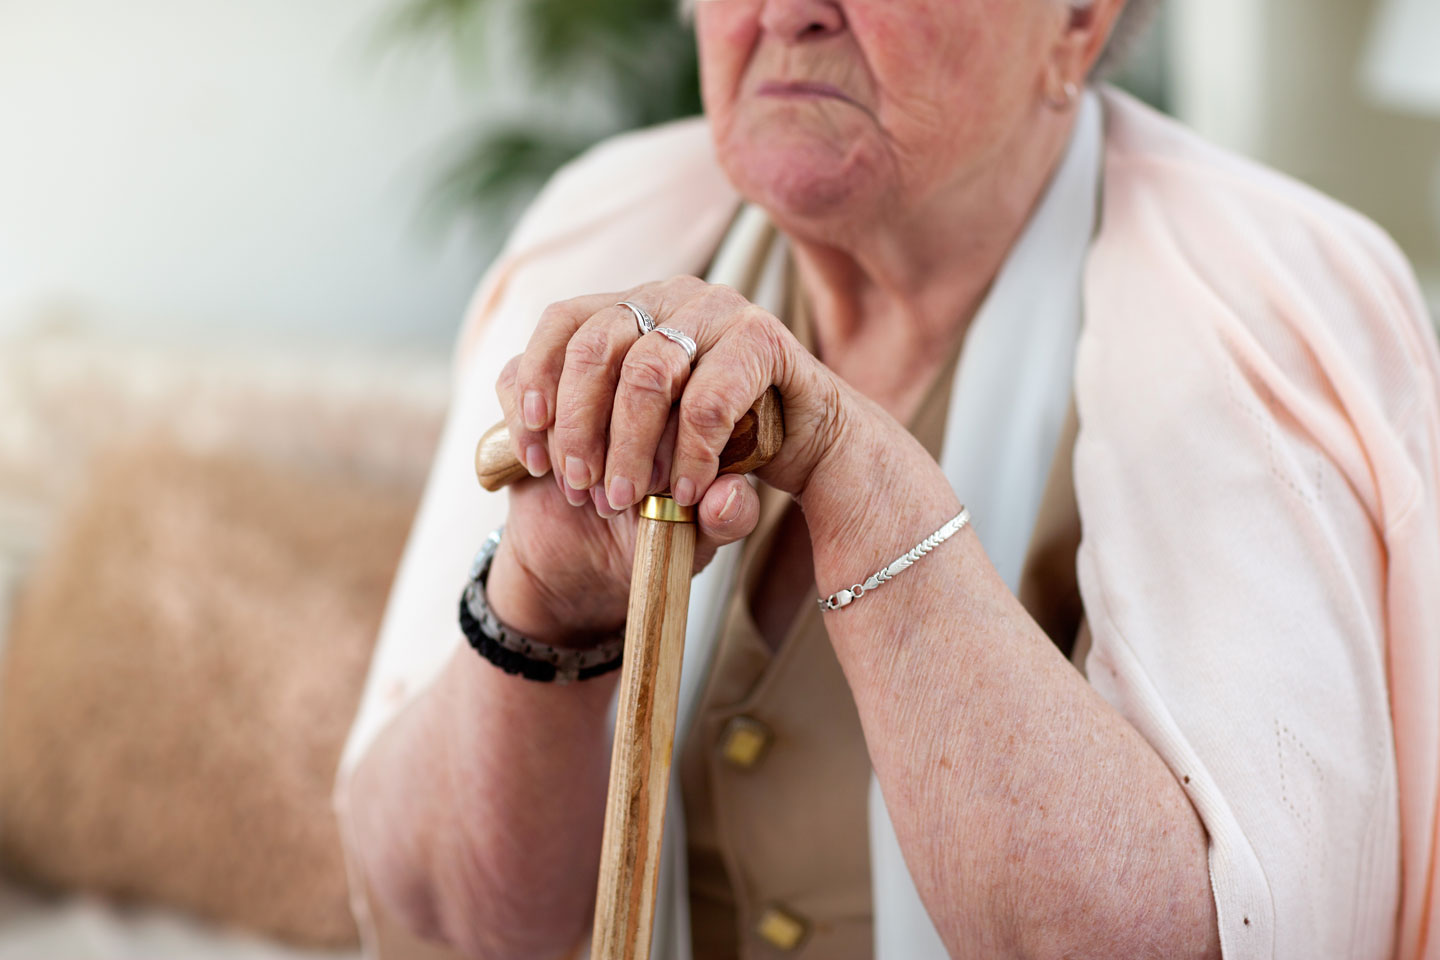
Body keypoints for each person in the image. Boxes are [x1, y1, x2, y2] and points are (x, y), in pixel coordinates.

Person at [334, 0, 1440, 957]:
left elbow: (1197, 940)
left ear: (1077, 19)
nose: (787, 11)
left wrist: (863, 487)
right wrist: (541, 600)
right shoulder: (601, 234)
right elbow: (445, 913)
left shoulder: (1269, 309)